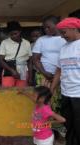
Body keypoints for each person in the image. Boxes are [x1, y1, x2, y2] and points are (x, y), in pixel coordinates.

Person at [51, 17, 80, 145]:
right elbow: (59, 70)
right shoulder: (64, 48)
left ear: (74, 29)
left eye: (64, 32)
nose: (62, 36)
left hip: (79, 95)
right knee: (68, 124)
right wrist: (52, 89)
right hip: (66, 93)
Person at [32, 15, 66, 87]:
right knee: (43, 97)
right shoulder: (41, 39)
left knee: (58, 97)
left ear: (57, 25)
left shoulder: (66, 39)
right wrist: (44, 73)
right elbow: (35, 59)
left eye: (48, 27)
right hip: (43, 74)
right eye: (44, 28)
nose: (46, 30)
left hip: (63, 76)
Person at [0, 21, 32, 87]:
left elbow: (30, 61)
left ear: (20, 31)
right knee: (7, 92)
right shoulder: (5, 43)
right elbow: (1, 60)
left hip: (23, 70)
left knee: (21, 92)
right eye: (11, 34)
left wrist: (30, 77)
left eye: (15, 33)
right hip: (8, 70)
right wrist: (12, 71)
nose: (13, 36)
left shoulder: (26, 43)